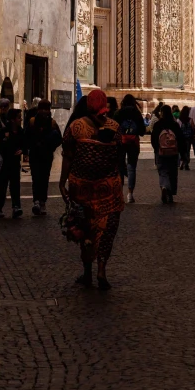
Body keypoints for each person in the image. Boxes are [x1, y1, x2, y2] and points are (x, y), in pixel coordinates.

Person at [59, 88, 123, 290]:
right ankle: (101, 270)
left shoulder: (76, 127)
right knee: (106, 231)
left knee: (85, 230)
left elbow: (68, 156)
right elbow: (119, 155)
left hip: (82, 188)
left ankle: (87, 273)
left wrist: (62, 182)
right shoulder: (114, 127)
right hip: (109, 188)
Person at [23, 98, 62, 216]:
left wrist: (50, 147)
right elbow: (26, 137)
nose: (45, 111)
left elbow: (59, 139)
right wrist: (27, 150)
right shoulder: (32, 121)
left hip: (45, 155)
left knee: (44, 178)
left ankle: (42, 201)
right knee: (36, 178)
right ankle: (37, 201)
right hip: (36, 154)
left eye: (47, 109)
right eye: (43, 109)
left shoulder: (52, 123)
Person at [0, 99, 25, 219]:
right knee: (2, 185)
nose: (21, 119)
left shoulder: (20, 131)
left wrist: (23, 150)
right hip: (5, 163)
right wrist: (5, 147)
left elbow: (25, 143)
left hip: (15, 163)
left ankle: (16, 207)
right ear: (13, 120)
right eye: (19, 117)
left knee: (15, 185)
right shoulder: (3, 131)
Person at [114, 93, 146, 203]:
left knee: (120, 167)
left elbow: (113, 127)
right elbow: (142, 131)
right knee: (132, 167)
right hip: (133, 142)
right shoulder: (137, 113)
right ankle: (130, 194)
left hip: (120, 142)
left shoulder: (119, 113)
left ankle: (119, 194)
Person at [150, 102, 180, 204]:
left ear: (162, 113)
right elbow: (180, 138)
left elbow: (153, 138)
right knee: (172, 172)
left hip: (161, 151)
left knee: (163, 171)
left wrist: (156, 149)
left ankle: (164, 186)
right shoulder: (174, 124)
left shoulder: (158, 124)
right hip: (173, 152)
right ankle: (170, 194)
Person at [177, 105, 193, 170]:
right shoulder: (190, 120)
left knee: (181, 151)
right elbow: (192, 128)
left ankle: (182, 162)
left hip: (181, 137)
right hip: (188, 137)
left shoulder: (179, 120)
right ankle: (186, 164)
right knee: (187, 150)